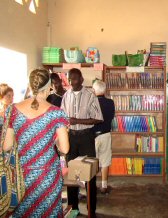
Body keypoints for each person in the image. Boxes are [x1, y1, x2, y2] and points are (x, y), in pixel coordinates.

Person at [2, 68, 70, 217]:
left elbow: (6, 146)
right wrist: (55, 139)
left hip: (21, 176)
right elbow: (65, 149)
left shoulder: (12, 110)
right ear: (49, 87)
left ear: (30, 85)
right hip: (47, 176)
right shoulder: (56, 113)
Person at [61, 68, 103, 216]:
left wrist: (76, 120)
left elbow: (98, 118)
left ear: (82, 79)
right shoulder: (66, 95)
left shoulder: (90, 95)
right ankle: (74, 208)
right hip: (71, 138)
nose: (72, 82)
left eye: (75, 79)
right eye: (69, 79)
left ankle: (92, 209)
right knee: (72, 174)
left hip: (86, 138)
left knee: (89, 174)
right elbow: (62, 117)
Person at [91, 80, 115, 194]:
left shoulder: (90, 102)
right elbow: (111, 116)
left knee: (91, 162)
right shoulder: (110, 102)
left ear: (94, 90)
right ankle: (104, 186)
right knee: (105, 161)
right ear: (105, 90)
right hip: (105, 134)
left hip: (92, 136)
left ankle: (91, 187)